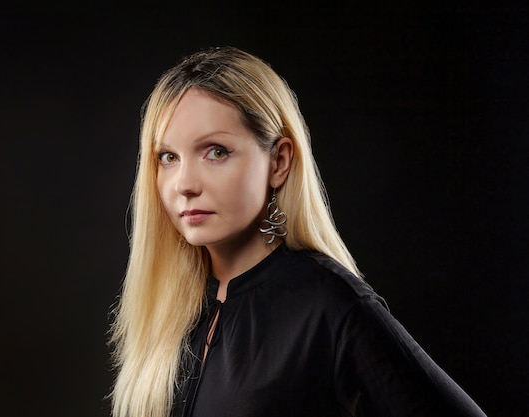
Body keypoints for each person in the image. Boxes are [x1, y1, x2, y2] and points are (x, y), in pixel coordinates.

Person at [108, 46, 486, 417]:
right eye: (168, 157)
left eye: (216, 151)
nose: (184, 184)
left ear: (279, 161)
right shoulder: (169, 306)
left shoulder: (330, 304)